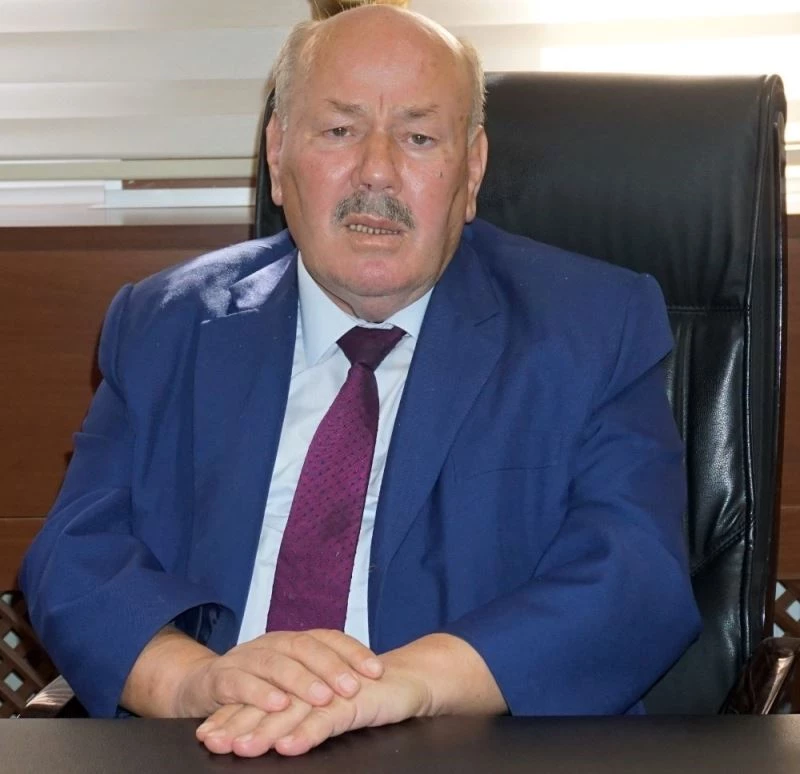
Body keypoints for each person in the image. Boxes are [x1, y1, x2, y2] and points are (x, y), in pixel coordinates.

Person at [20, 5, 701, 758]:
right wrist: (191, 682)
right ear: (278, 153)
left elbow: (635, 580)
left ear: (472, 168)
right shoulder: (166, 325)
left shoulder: (591, 327)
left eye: (418, 137)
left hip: (469, 748)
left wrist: (407, 682)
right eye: (340, 130)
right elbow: (73, 556)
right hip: (209, 740)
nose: (377, 170)